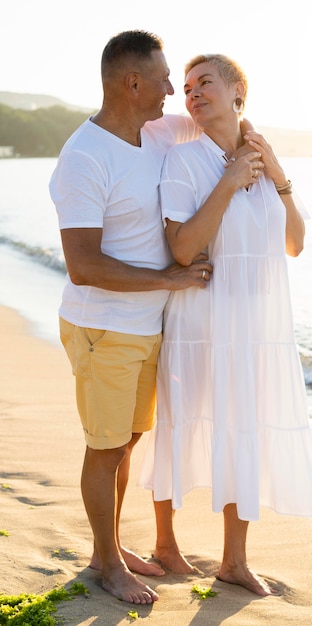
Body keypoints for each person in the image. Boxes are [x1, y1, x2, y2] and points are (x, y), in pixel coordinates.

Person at [138, 54, 312, 596]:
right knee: (180, 425)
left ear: (237, 89)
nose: (192, 94)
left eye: (205, 84)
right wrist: (229, 181)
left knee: (243, 431)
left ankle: (234, 561)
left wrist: (279, 177)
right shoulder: (184, 159)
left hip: (255, 324)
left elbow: (295, 244)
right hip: (202, 317)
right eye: (188, 87)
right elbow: (182, 246)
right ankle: (165, 543)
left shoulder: (266, 158)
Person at [48, 31, 216, 605]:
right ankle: (108, 565)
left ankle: (107, 550)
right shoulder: (84, 157)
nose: (174, 89)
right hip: (103, 327)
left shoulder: (154, 134)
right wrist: (169, 279)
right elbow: (82, 264)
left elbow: (217, 120)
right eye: (166, 78)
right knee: (106, 448)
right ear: (133, 82)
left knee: (127, 441)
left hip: (147, 325)